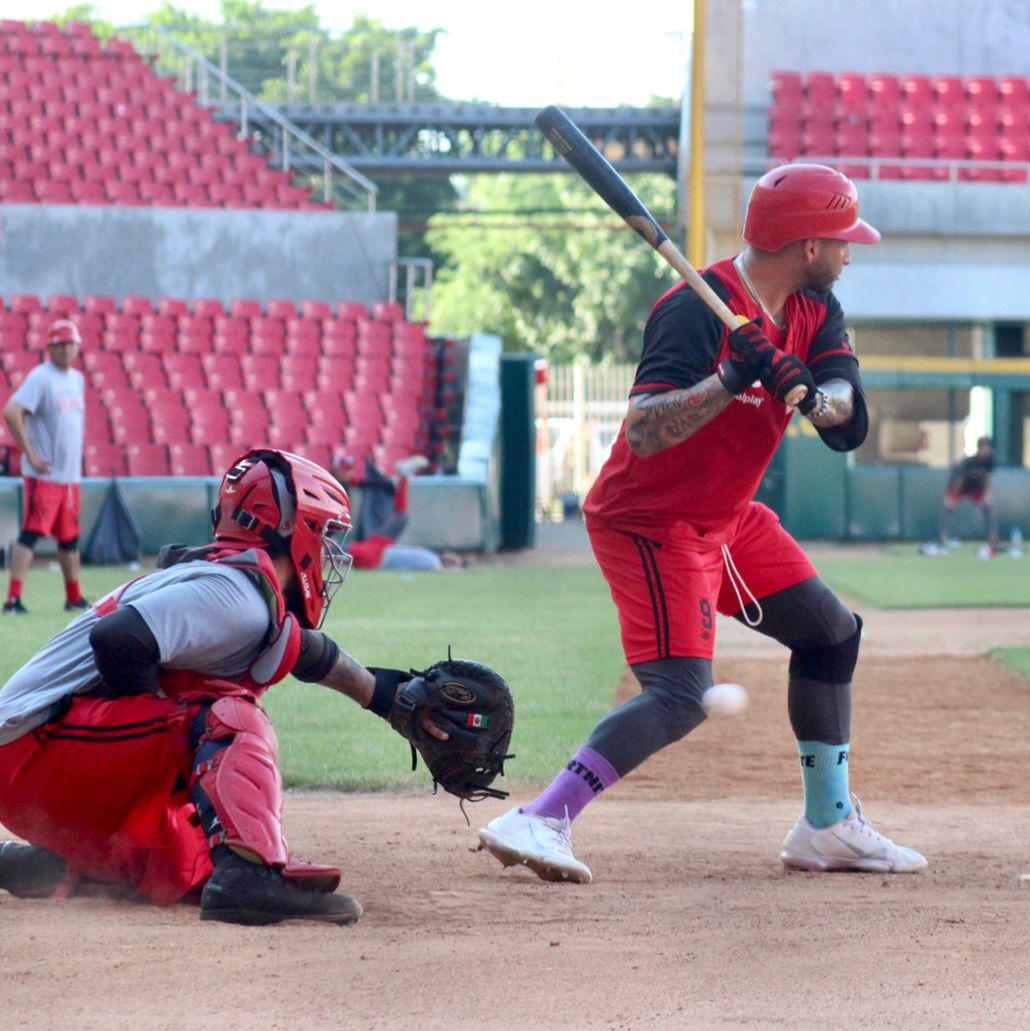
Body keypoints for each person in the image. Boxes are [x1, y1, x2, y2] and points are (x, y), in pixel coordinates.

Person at [477, 163, 925, 883]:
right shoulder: (693, 308)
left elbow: (845, 411)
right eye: (842, 241)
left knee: (831, 633)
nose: (850, 253)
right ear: (808, 246)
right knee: (681, 695)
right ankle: (540, 819)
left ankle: (827, 824)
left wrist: (810, 395)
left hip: (728, 517)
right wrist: (729, 381)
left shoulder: (814, 312)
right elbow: (646, 430)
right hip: (651, 519)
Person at [0, 449, 437, 925]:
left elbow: (304, 649)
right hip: (30, 750)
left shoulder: (234, 587)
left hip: (36, 760)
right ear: (290, 527)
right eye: (324, 530)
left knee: (185, 864)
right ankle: (250, 878)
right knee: (229, 713)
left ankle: (55, 866)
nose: (329, 549)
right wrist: (168, 728)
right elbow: (117, 640)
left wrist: (384, 697)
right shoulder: (235, 598)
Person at [4, 319, 89, 613]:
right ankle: (13, 599)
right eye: (61, 344)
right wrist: (30, 453)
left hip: (69, 478)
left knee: (70, 538)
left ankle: (73, 597)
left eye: (71, 343)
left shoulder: (77, 379)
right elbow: (12, 411)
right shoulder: (41, 378)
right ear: (50, 348)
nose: (67, 349)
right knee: (31, 533)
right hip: (45, 475)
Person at [332, 454, 463, 571]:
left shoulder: (432, 561)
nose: (347, 473)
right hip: (375, 548)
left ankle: (404, 476)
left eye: (348, 470)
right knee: (402, 517)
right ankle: (404, 476)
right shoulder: (432, 558)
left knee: (402, 517)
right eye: (344, 470)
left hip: (373, 553)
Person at [936, 437, 999, 557]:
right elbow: (958, 481)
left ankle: (993, 539)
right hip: (961, 487)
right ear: (979, 449)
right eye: (983, 448)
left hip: (976, 488)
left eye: (988, 448)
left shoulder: (990, 461)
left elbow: (987, 478)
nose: (986, 451)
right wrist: (952, 497)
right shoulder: (967, 462)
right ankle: (943, 538)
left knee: (988, 506)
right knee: (948, 507)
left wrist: (985, 494)